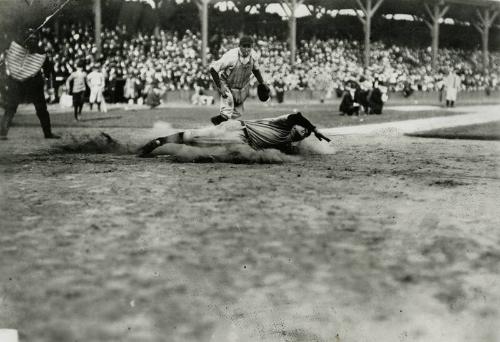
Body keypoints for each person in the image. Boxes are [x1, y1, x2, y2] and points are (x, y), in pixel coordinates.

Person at [137, 111, 331, 157]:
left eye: (305, 134)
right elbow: (297, 116)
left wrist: (312, 148)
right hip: (238, 130)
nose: (303, 132)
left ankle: (206, 157)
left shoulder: (288, 140)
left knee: (240, 155)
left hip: (241, 139)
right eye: (303, 129)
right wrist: (314, 129)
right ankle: (159, 141)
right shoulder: (284, 123)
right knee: (194, 137)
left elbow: (292, 151)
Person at [0, 33, 60, 140]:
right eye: (32, 39)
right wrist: (46, 75)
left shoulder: (21, 51)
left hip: (23, 83)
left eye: (34, 39)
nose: (33, 41)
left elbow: (47, 68)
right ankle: (47, 133)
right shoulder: (39, 52)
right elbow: (48, 69)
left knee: (13, 108)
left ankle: (3, 133)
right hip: (28, 83)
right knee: (38, 109)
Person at [209, 36, 266, 124]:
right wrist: (220, 85)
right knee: (227, 108)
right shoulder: (231, 56)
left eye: (249, 46)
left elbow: (255, 69)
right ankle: (222, 121)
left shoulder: (254, 55)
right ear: (239, 46)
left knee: (238, 112)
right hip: (226, 83)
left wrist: (262, 82)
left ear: (252, 46)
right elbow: (213, 69)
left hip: (241, 87)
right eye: (244, 46)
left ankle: (221, 123)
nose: (246, 49)